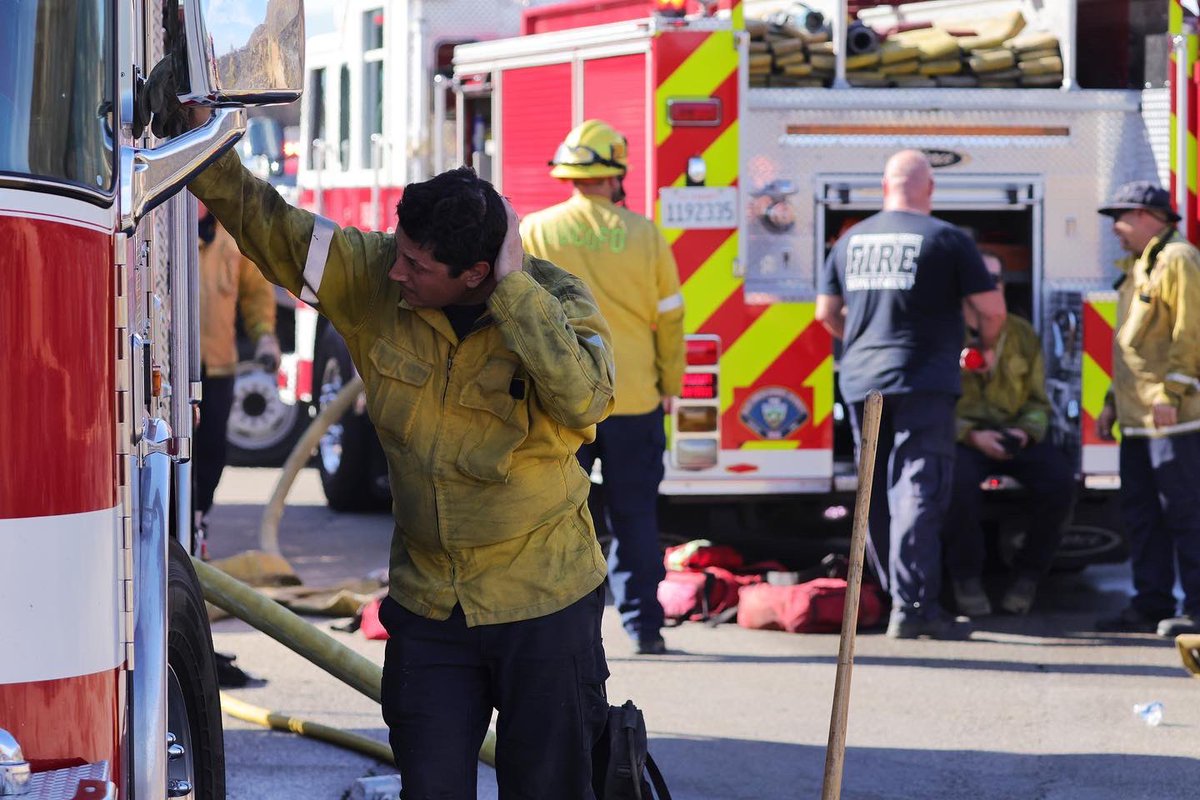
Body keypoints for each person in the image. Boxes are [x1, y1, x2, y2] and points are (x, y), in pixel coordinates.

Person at [178, 123, 616, 794]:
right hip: (431, 608)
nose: (396, 271)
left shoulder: (553, 302)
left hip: (544, 605)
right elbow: (269, 223)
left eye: (417, 265)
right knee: (430, 785)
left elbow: (586, 400)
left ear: (476, 272)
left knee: (550, 788)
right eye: (399, 250)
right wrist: (198, 142)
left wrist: (513, 292)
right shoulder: (371, 278)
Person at [816, 149, 1006, 640]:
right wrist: (982, 345)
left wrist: (862, 344)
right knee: (917, 487)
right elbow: (993, 310)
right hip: (924, 380)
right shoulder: (947, 239)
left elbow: (826, 315)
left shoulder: (850, 241)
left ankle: (897, 596)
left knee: (873, 489)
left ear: (884, 186)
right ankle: (915, 605)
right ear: (930, 189)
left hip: (862, 381)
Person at [521, 119, 686, 656]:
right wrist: (672, 383)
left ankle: (563, 629)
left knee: (559, 515)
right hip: (635, 396)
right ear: (616, 176)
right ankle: (645, 628)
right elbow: (672, 318)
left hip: (564, 399)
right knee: (636, 514)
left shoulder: (538, 230)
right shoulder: (645, 234)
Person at [943, 252, 1076, 617]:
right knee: (953, 484)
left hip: (1014, 434)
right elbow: (934, 404)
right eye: (982, 279)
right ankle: (966, 579)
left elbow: (1037, 400)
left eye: (997, 279)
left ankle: (1028, 578)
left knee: (1060, 482)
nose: (991, 286)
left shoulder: (1021, 333)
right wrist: (971, 436)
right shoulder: (943, 331)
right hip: (964, 437)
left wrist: (1024, 432)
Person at [1095, 181, 1200, 638]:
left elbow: (1190, 332)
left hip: (1172, 420)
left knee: (1186, 515)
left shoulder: (1178, 259)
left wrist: (1170, 395)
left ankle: (1198, 610)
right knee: (1142, 515)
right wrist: (1111, 404)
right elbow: (1129, 347)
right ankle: (1150, 602)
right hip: (1138, 421)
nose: (1115, 229)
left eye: (1118, 218)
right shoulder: (1141, 264)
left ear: (1143, 215)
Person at [194, 203, 280, 558]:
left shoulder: (230, 234)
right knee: (172, 458)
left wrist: (265, 336)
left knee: (212, 454)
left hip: (217, 366)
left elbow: (256, 292)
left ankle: (199, 524)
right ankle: (178, 528)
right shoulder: (162, 224)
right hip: (167, 368)